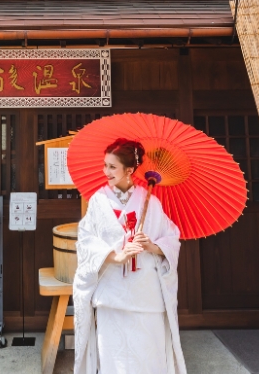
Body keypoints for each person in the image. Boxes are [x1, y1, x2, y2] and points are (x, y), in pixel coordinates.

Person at [73, 138, 185, 374]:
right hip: (112, 297)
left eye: (112, 167)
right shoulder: (98, 201)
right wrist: (116, 256)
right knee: (114, 360)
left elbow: (171, 237)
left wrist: (153, 246)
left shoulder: (151, 203)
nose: (106, 171)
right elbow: (86, 241)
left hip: (147, 296)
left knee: (148, 358)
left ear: (130, 170)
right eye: (105, 165)